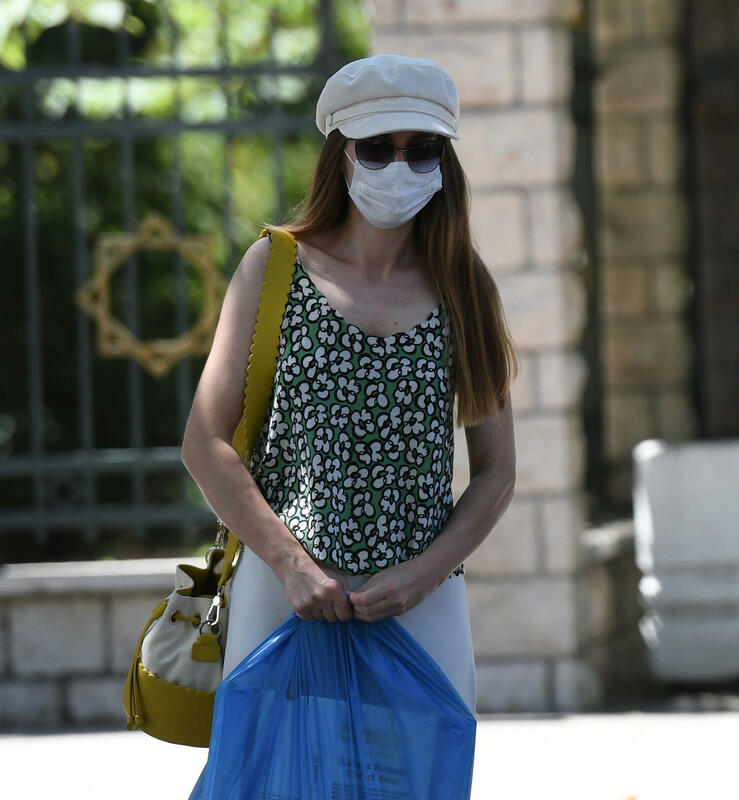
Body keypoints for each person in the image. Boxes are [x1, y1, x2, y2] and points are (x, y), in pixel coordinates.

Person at [180, 54, 516, 726]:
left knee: (420, 773)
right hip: (285, 592)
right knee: (275, 772)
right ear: (341, 157)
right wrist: (290, 564)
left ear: (444, 162)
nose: (400, 168)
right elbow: (204, 442)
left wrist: (425, 573)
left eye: (422, 150)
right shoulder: (274, 266)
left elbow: (497, 471)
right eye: (378, 148)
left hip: (423, 604)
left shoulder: (465, 286)